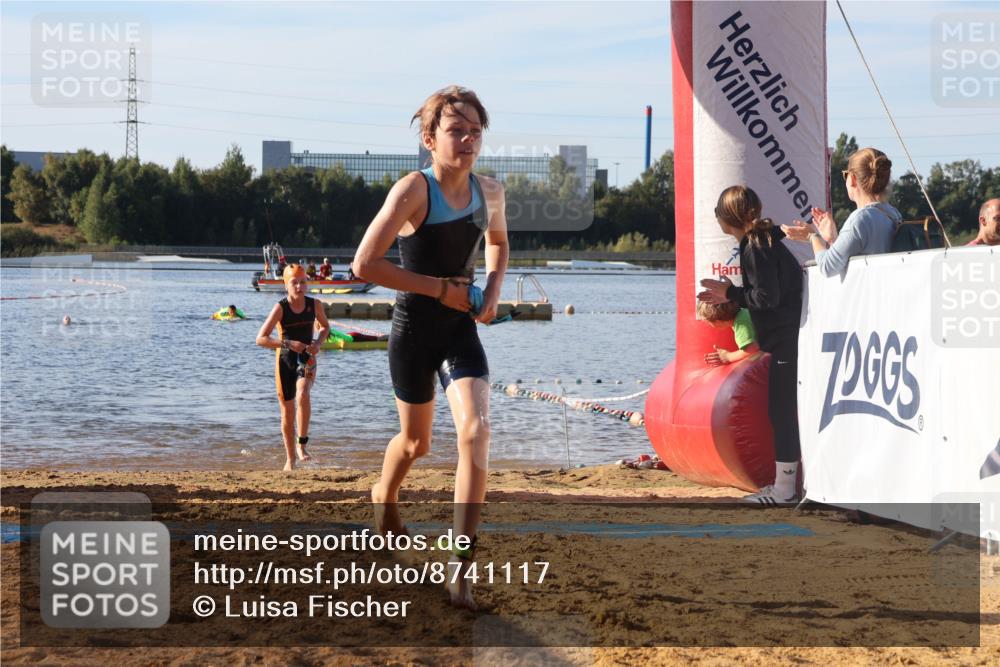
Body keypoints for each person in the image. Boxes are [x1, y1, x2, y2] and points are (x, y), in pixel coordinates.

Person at [352, 85, 508, 609]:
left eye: (475, 132)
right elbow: (364, 265)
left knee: (476, 430)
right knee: (416, 444)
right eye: (455, 130)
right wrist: (443, 289)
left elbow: (499, 243)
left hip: (460, 330)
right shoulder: (413, 191)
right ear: (429, 138)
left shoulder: (491, 192)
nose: (467, 140)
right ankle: (384, 494)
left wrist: (490, 292)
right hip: (414, 331)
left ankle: (460, 569)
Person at [698, 185, 803, 506]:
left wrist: (730, 294)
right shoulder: (762, 239)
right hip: (789, 337)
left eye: (717, 212)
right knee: (781, 412)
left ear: (725, 218)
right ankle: (783, 485)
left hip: (786, 340)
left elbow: (766, 298)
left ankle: (785, 491)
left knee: (782, 414)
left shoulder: (755, 246)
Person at [782, 147, 901, 276]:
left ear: (853, 179)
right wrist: (833, 240)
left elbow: (827, 267)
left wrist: (812, 237)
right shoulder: (893, 214)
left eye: (846, 175)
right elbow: (865, 249)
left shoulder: (860, 219)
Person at [256, 264, 330, 471]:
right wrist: (288, 344)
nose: (299, 286)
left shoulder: (315, 305)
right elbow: (261, 339)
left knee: (303, 394)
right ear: (286, 285)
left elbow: (325, 327)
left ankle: (302, 445)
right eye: (294, 282)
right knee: (287, 411)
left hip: (306, 357)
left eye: (303, 282)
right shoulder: (280, 307)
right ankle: (290, 459)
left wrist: (317, 343)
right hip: (285, 360)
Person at [696, 300, 759, 366]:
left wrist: (728, 357)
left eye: (708, 321)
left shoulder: (740, 322)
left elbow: (753, 349)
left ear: (717, 321)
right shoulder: (744, 311)